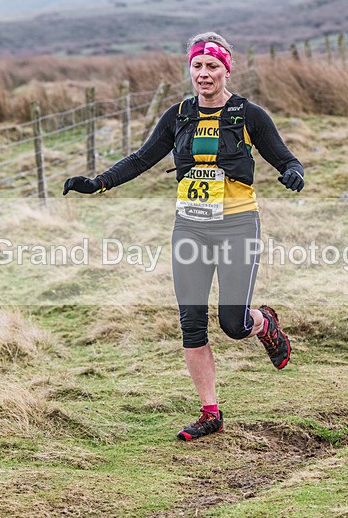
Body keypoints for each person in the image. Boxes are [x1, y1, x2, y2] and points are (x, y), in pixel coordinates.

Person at [63, 32, 305, 441]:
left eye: (212, 66)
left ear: (226, 69)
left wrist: (292, 172)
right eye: (198, 66)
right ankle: (210, 413)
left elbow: (284, 156)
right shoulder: (177, 115)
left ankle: (263, 325)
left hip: (236, 226)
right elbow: (142, 158)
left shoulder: (249, 115)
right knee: (191, 323)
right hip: (190, 228)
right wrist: (98, 183)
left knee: (232, 323)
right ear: (189, 69)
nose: (204, 74)